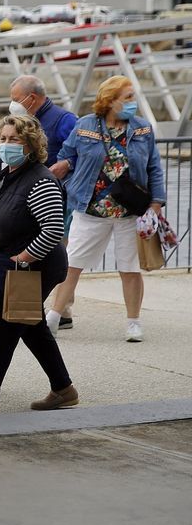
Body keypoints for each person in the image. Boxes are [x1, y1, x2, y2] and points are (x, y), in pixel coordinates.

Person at [47, 76, 166, 342]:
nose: (133, 102)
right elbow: (67, 155)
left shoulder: (143, 129)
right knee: (72, 264)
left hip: (129, 211)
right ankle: (53, 317)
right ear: (110, 101)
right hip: (90, 208)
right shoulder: (85, 125)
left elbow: (154, 168)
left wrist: (156, 204)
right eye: (128, 97)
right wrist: (67, 174)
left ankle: (133, 323)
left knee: (129, 268)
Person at [0, 115, 78, 412]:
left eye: (15, 140)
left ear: (31, 146)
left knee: (2, 329)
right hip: (18, 267)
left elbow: (52, 230)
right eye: (4, 138)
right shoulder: (7, 176)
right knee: (32, 326)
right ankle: (64, 388)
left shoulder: (40, 180)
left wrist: (22, 258)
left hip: (35, 269)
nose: (6, 144)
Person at [8, 75, 79, 330]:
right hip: (31, 194)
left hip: (58, 195)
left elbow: (84, 150)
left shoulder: (64, 119)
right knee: (35, 247)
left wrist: (67, 164)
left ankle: (63, 309)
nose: (12, 104)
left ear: (32, 98)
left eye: (16, 99)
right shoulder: (26, 119)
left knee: (57, 248)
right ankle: (23, 304)